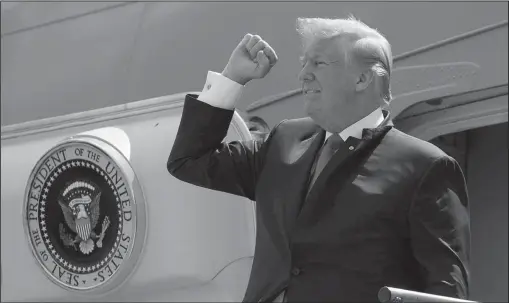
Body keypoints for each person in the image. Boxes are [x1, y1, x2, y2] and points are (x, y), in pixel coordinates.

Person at [167, 16, 470, 302]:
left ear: (362, 78)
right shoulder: (284, 142)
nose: (303, 75)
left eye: (318, 63)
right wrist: (233, 78)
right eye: (303, 63)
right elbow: (190, 160)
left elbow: (445, 292)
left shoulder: (425, 166)